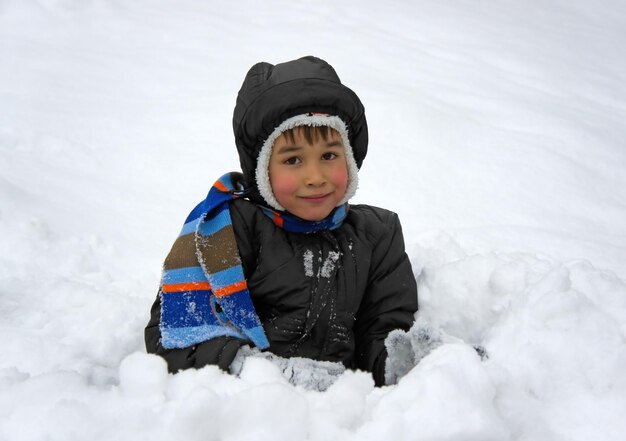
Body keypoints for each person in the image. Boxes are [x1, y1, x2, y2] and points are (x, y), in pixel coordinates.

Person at [145, 56, 422, 389]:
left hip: (346, 417)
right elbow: (179, 333)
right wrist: (265, 375)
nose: (316, 177)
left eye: (329, 156)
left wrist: (405, 364)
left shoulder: (377, 234)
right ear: (262, 170)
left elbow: (381, 330)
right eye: (293, 160)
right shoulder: (227, 229)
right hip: (253, 410)